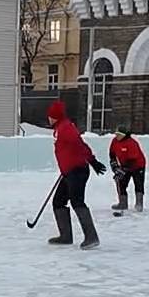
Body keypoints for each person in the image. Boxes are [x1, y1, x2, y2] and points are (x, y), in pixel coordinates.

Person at [46, 100, 104, 248]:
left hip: (77, 171)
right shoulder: (60, 128)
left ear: (56, 117)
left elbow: (79, 144)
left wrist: (92, 161)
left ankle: (91, 237)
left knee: (77, 201)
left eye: (51, 116)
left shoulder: (66, 128)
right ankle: (66, 236)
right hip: (68, 172)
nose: (49, 118)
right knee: (58, 202)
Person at [109, 128, 147, 213]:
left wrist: (123, 170)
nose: (116, 136)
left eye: (119, 134)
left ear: (124, 135)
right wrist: (114, 166)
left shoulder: (132, 143)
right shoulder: (114, 141)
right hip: (124, 165)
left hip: (137, 166)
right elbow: (112, 154)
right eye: (116, 134)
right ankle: (123, 203)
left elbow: (133, 160)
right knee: (120, 181)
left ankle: (139, 204)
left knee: (138, 183)